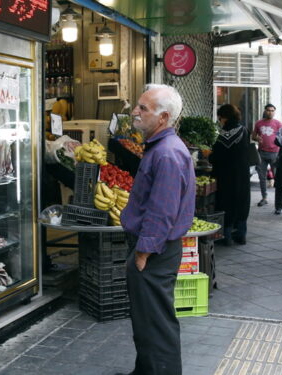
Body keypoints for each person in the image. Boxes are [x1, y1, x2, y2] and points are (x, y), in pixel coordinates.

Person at [120, 84, 194, 375]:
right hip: (153, 249)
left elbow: (162, 210)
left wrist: (144, 252)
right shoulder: (162, 148)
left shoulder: (166, 154)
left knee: (156, 324)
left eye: (143, 109)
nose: (135, 113)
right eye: (137, 106)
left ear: (163, 118)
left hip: (154, 252)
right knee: (147, 320)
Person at [210, 104, 250, 245]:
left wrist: (209, 156)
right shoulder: (244, 130)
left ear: (224, 117)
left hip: (225, 175)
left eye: (220, 117)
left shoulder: (221, 134)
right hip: (242, 174)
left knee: (226, 203)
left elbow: (216, 156)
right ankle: (241, 234)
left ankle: (226, 236)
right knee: (241, 202)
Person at [252, 104, 282, 207]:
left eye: (272, 110)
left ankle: (278, 201)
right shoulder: (258, 123)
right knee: (262, 177)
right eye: (269, 110)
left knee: (277, 177)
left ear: (275, 112)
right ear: (265, 111)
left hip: (275, 153)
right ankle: (264, 197)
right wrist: (257, 139)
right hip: (262, 153)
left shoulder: (278, 124)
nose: (270, 112)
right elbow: (253, 136)